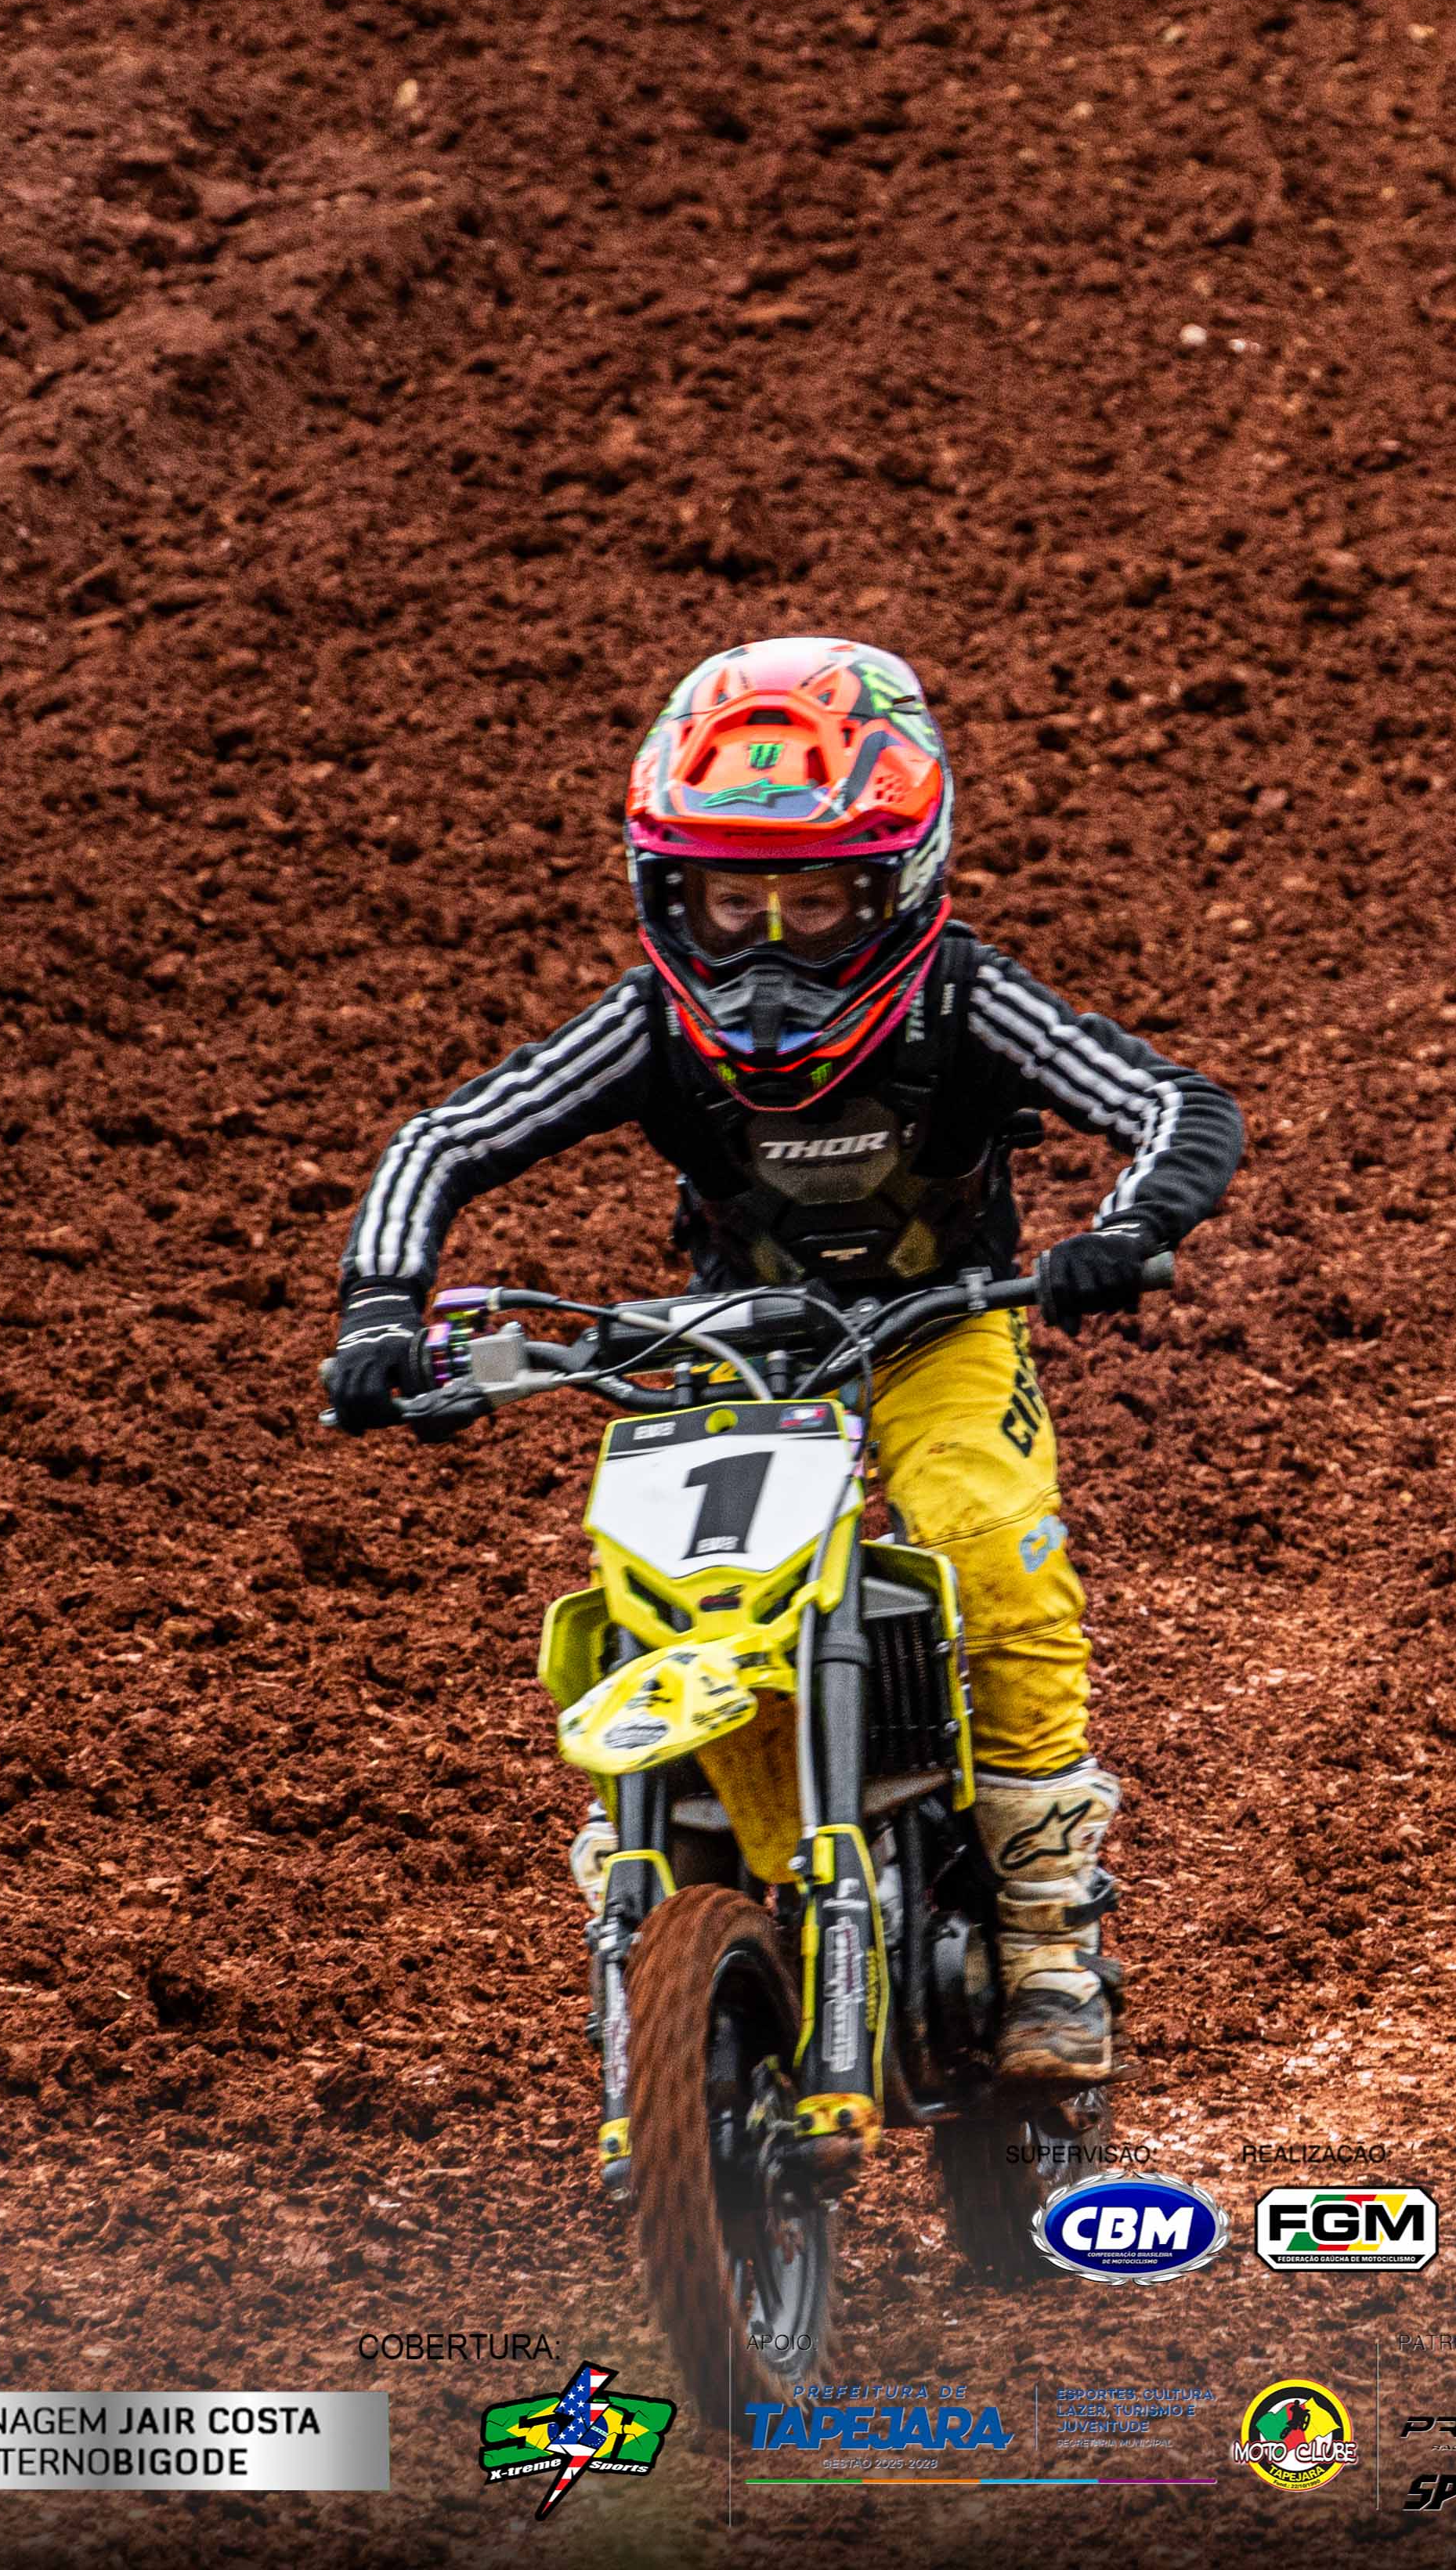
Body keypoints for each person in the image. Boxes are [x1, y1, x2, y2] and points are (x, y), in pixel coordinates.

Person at [319, 638, 1242, 2086]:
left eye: (812, 903)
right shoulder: (648, 1021)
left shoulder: (964, 1000)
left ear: (895, 888)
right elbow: (443, 1141)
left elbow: (1174, 1104)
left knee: (989, 1548)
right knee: (663, 1604)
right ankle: (690, 1887)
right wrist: (383, 1309)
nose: (764, 946)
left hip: (941, 1324)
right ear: (666, 893)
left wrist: (1125, 1233)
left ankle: (1049, 1933)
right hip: (732, 1346)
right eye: (727, 901)